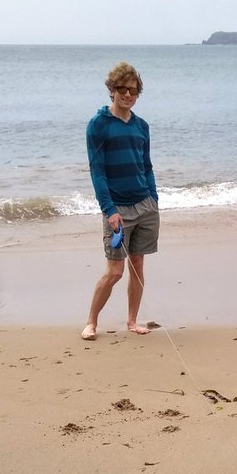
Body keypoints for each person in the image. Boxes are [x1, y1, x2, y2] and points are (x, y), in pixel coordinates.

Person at [82, 62, 159, 339]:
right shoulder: (98, 125)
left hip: (145, 206)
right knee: (115, 271)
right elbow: (97, 171)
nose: (128, 95)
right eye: (122, 89)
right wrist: (109, 210)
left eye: (134, 91)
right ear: (112, 90)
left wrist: (153, 199)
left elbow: (147, 166)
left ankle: (132, 321)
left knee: (137, 265)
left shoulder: (142, 126)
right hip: (117, 209)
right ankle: (91, 322)